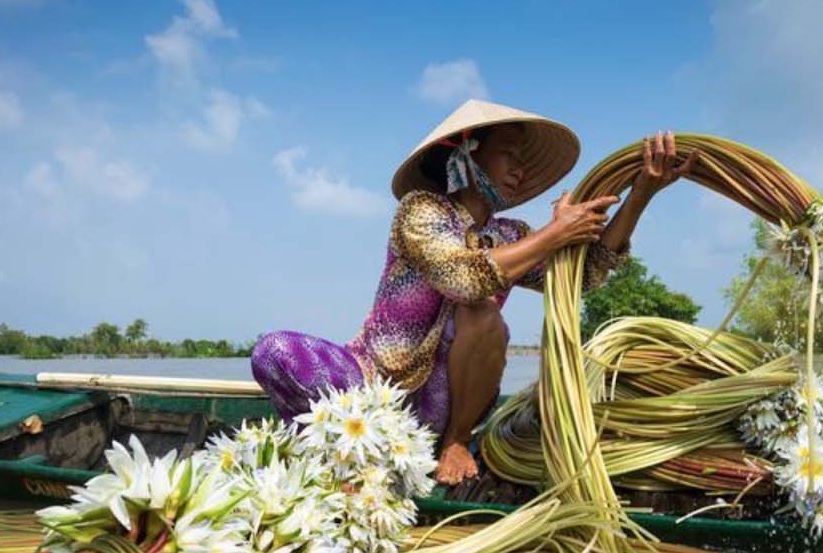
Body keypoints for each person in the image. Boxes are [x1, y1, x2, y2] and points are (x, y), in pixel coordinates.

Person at [252, 99, 695, 486]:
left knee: (483, 314)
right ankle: (342, 453)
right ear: (465, 154)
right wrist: (555, 232)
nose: (519, 168)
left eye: (522, 157)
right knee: (273, 351)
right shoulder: (421, 210)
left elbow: (586, 274)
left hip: (443, 409)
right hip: (372, 385)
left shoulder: (510, 235)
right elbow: (460, 278)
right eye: (507, 154)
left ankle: (456, 446)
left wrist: (641, 194)